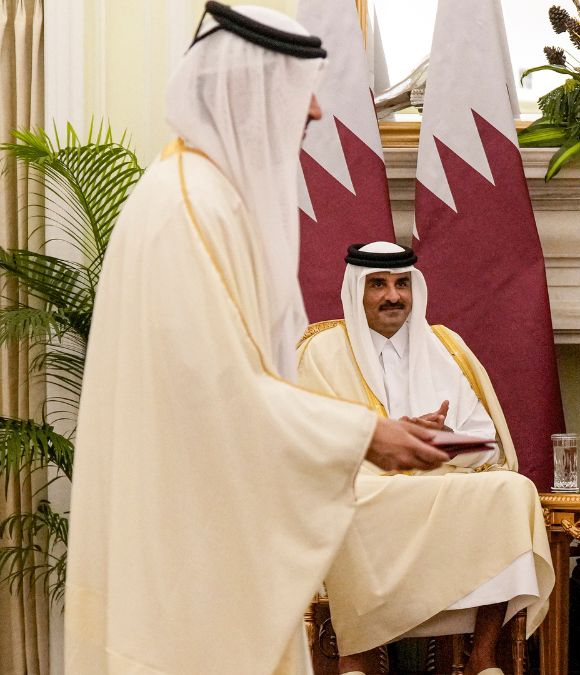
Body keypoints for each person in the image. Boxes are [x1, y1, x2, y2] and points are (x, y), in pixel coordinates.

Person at [63, 5, 453, 674]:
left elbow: (240, 381)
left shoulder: (201, 195)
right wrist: (365, 435)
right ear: (248, 92)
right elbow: (225, 397)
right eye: (299, 91)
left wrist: (376, 430)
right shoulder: (188, 210)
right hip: (185, 547)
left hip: (196, 528)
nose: (317, 112)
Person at [296, 241, 554, 675]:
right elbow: (307, 444)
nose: (392, 296)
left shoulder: (445, 347)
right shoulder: (321, 351)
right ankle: (355, 656)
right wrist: (387, 441)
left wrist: (443, 440)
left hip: (439, 480)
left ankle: (482, 659)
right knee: (347, 500)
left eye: (402, 284)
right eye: (377, 285)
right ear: (356, 290)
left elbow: (487, 445)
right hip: (365, 486)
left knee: (512, 490)